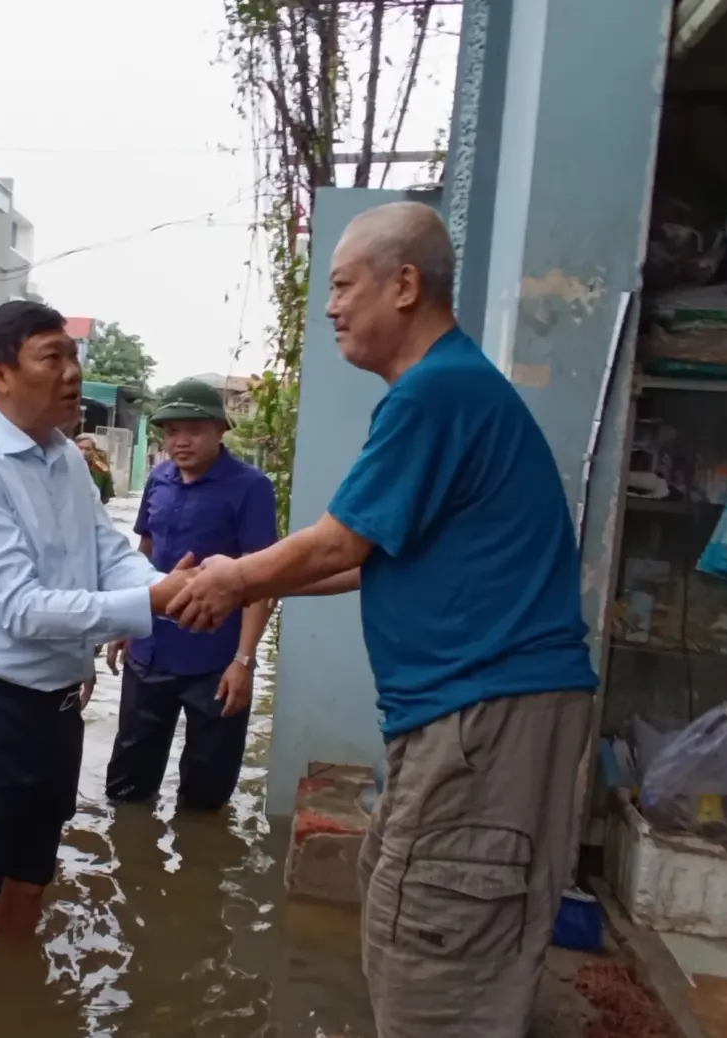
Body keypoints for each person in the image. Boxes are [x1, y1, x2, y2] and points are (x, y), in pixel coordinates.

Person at [167, 202, 599, 1038]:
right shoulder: (456, 388)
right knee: (426, 919)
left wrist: (233, 579)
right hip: (487, 714)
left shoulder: (434, 393)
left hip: (482, 718)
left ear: (404, 285)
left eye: (340, 285)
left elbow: (337, 542)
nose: (329, 307)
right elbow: (370, 560)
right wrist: (254, 585)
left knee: (433, 958)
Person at [0, 300, 198, 968]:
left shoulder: (65, 458)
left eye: (74, 357)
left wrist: (167, 586)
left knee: (30, 882)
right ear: (1, 373)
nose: (73, 373)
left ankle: (16, 1003)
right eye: (53, 357)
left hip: (57, 707)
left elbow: (106, 551)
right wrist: (152, 601)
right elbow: (21, 608)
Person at [102, 378, 277, 810]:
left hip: (215, 663)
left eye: (193, 430)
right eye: (172, 431)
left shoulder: (251, 487)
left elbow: (263, 581)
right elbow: (142, 554)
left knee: (205, 796)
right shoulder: (158, 480)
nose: (180, 442)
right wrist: (127, 620)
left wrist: (243, 662)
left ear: (220, 429)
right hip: (150, 653)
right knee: (127, 786)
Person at [75, 432, 114, 504]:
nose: (83, 452)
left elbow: (105, 498)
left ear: (94, 451)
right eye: (80, 448)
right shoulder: (65, 467)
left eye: (88, 449)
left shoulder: (101, 470)